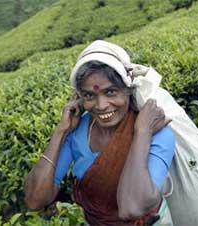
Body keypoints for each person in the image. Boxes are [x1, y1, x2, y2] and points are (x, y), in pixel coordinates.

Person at [24, 40, 175, 226]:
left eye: (111, 92)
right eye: (89, 95)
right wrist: (61, 131)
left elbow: (133, 208)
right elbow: (34, 199)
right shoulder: (77, 131)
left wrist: (141, 132)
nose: (101, 106)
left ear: (128, 89)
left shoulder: (156, 132)